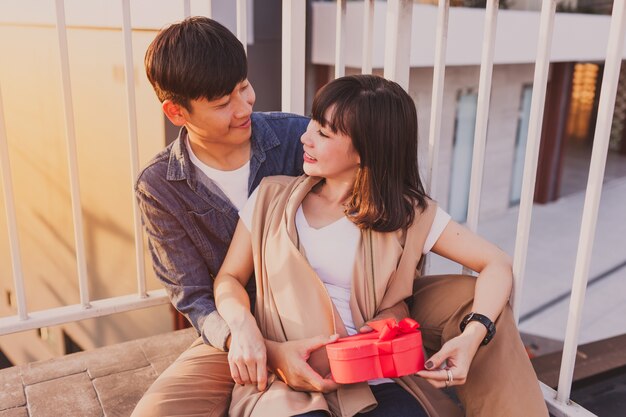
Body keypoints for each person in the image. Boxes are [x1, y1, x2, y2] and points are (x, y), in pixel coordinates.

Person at [214, 75, 549, 417]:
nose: (304, 138)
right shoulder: (272, 195)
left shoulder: (407, 213)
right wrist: (244, 328)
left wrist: (473, 334)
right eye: (313, 124)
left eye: (324, 133)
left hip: (370, 382)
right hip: (284, 384)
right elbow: (228, 278)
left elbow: (496, 263)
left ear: (366, 152)